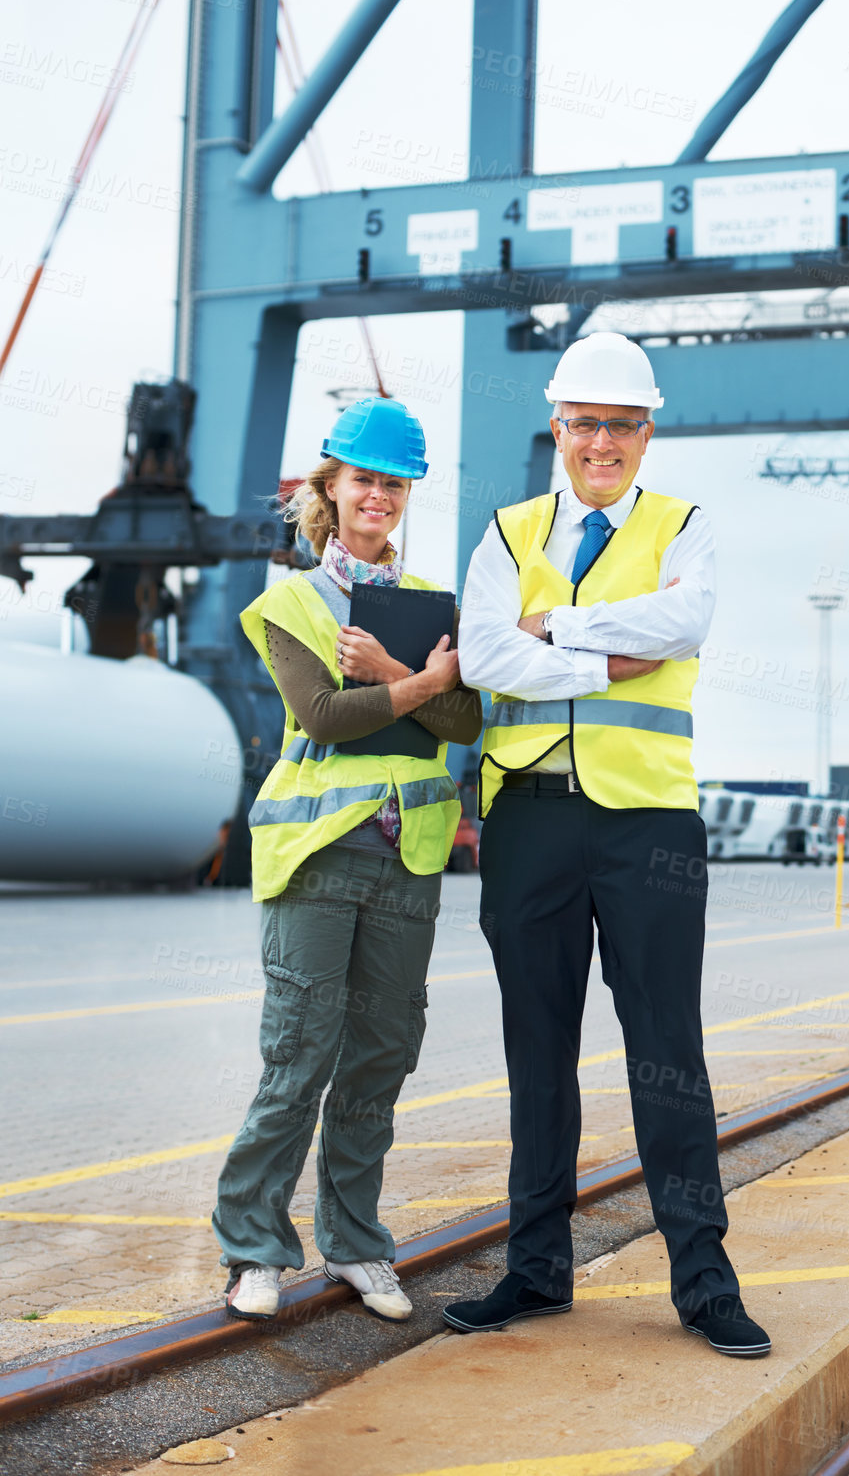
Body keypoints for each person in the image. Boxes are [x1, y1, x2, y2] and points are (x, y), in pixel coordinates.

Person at [449, 333, 770, 1357]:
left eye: (621, 425)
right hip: (529, 818)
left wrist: (559, 625)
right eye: (584, 422)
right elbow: (488, 650)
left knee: (667, 1054)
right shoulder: (505, 532)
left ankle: (704, 1282)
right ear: (559, 427)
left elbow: (687, 620)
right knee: (536, 1055)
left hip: (648, 824)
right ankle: (536, 1271)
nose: (602, 442)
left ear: (646, 431)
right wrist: (602, 654)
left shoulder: (687, 525)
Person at [212, 398, 481, 1323]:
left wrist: (407, 683)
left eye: (394, 483)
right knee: (300, 1054)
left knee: (380, 1056)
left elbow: (464, 721)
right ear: (330, 486)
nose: (380, 496)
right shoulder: (288, 601)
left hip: (407, 856)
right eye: (364, 479)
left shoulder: (426, 604)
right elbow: (323, 716)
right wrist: (415, 682)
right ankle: (253, 1248)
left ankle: (357, 1244)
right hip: (318, 855)